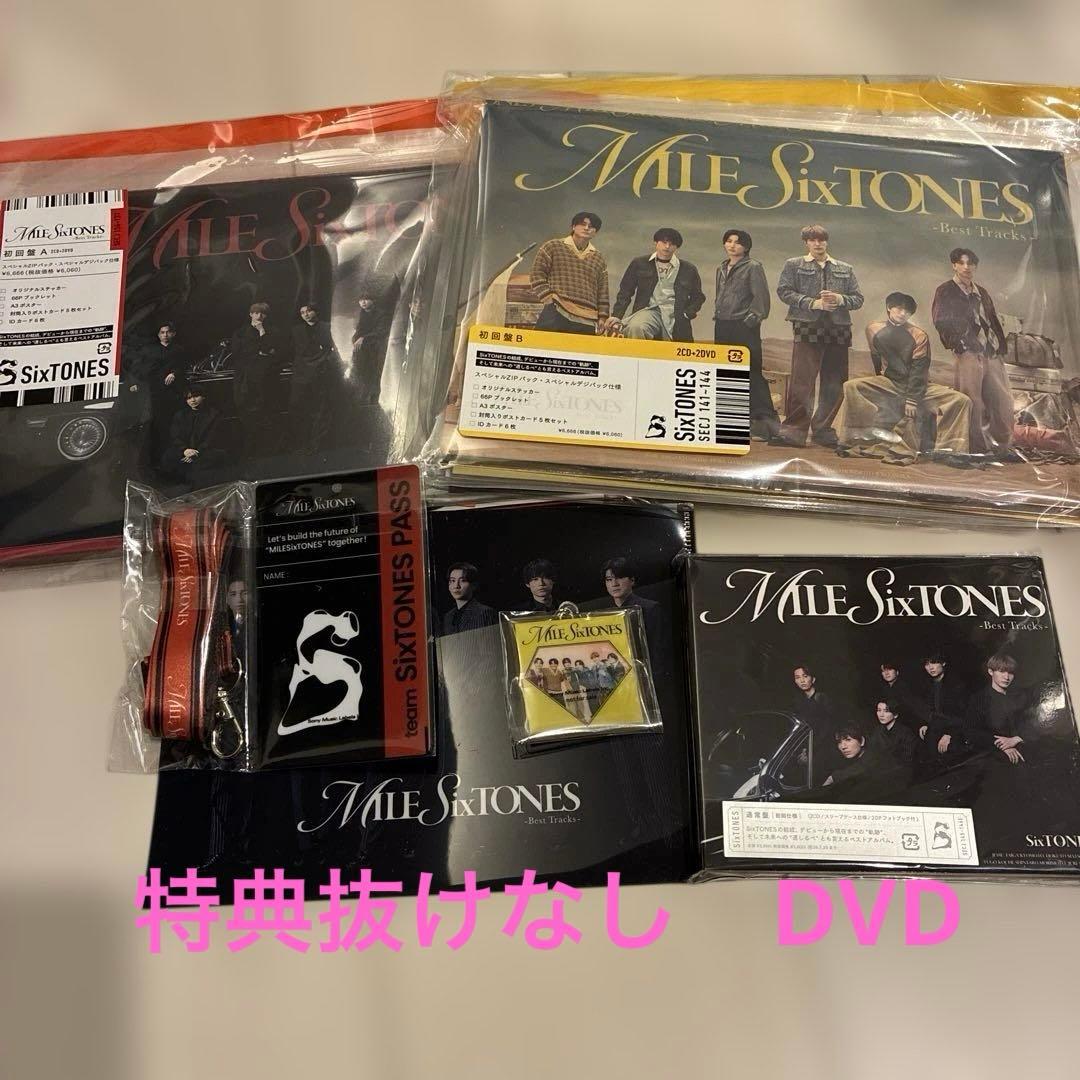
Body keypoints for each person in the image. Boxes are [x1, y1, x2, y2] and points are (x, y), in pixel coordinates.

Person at [837, 292, 971, 464]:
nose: (903, 314)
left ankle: (951, 452)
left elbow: (919, 370)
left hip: (919, 386)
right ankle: (853, 440)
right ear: (889, 308)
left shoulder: (919, 335)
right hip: (890, 383)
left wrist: (912, 400)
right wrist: (881, 381)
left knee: (962, 400)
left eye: (907, 312)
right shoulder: (873, 329)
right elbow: (877, 358)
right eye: (899, 309)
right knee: (851, 386)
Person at [773, 225, 864, 448]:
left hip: (839, 329)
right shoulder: (794, 264)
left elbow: (857, 299)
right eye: (812, 240)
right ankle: (794, 432)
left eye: (821, 239)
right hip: (807, 327)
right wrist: (814, 303)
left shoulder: (845, 268)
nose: (817, 243)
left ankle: (823, 430)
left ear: (826, 242)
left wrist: (840, 299)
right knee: (802, 381)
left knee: (834, 382)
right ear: (806, 242)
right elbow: (784, 291)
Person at [931, 248, 1014, 456]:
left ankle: (1003, 447)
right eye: (962, 263)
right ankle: (976, 448)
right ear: (954, 265)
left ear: (975, 266)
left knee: (1002, 400)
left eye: (971, 263)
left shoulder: (982, 292)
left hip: (991, 352)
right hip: (968, 352)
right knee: (972, 401)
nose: (966, 267)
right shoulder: (946, 290)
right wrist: (960, 343)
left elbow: (992, 319)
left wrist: (1000, 346)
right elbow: (940, 320)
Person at [712, 228, 778, 440]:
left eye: (738, 242)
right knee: (726, 373)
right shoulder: (721, 268)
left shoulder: (753, 266)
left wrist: (749, 321)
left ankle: (766, 426)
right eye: (729, 241)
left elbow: (761, 300)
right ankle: (732, 421)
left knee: (752, 372)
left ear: (746, 247)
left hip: (744, 326)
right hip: (722, 324)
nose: (732, 245)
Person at [529, 212, 617, 335]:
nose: (587, 228)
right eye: (583, 224)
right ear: (573, 226)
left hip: (587, 319)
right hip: (557, 311)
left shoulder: (598, 258)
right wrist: (549, 299)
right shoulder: (553, 246)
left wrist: (602, 317)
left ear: (595, 232)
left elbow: (603, 291)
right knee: (541, 345)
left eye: (591, 226)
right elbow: (536, 274)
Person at [611, 227, 705, 342]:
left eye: (672, 244)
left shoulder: (688, 269)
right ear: (656, 243)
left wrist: (687, 313)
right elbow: (625, 291)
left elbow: (698, 297)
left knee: (679, 348)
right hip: (648, 311)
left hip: (676, 316)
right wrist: (617, 315)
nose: (667, 246)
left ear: (676, 247)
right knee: (636, 327)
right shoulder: (639, 263)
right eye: (664, 242)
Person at [128, 321, 188, 468]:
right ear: (158, 335)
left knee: (174, 423)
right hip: (154, 391)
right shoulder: (150, 350)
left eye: (168, 332)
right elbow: (138, 368)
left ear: (173, 334)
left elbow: (183, 366)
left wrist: (174, 373)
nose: (165, 335)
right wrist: (135, 383)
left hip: (173, 392)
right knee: (156, 424)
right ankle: (154, 460)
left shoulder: (179, 350)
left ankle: (175, 457)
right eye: (162, 332)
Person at [231, 302, 288, 457]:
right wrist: (262, 353)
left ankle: (266, 452)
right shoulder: (240, 332)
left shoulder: (273, 331)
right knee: (246, 414)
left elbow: (274, 352)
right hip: (244, 379)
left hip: (265, 379)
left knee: (265, 413)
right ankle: (249, 451)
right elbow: (237, 353)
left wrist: (262, 332)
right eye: (256, 312)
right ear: (251, 314)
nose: (259, 316)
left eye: (263, 313)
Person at [291, 302, 340, 454]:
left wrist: (326, 360)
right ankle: (301, 444)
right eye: (302, 312)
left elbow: (335, 348)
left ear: (316, 312)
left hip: (322, 372)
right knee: (301, 408)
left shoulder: (328, 327)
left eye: (308, 311)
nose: (305, 314)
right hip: (302, 374)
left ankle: (317, 446)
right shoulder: (297, 330)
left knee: (322, 409)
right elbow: (294, 350)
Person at [964, 653, 1029, 765]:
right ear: (991, 672)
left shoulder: (1021, 695)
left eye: (1010, 673)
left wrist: (1016, 739)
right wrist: (1003, 745)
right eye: (1002, 671)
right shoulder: (979, 699)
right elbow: (971, 731)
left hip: (1024, 746)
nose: (1006, 677)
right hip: (993, 752)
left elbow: (1033, 723)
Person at [598, 555, 662, 650]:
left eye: (619, 577)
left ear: (632, 580)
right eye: (609, 579)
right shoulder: (603, 614)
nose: (614, 584)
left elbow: (658, 649)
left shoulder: (651, 608)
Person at [918, 649, 971, 763]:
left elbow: (965, 715)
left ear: (943, 663)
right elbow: (930, 710)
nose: (930, 667)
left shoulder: (956, 685)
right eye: (927, 664)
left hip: (956, 729)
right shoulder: (929, 685)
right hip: (937, 727)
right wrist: (925, 723)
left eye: (934, 663)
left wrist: (950, 734)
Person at [160, 388, 222, 483]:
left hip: (204, 450)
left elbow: (211, 437)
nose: (192, 400)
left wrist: (196, 453)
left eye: (196, 396)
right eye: (189, 398)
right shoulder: (180, 415)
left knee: (210, 462)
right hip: (185, 450)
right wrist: (185, 450)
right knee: (168, 457)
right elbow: (175, 436)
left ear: (203, 397)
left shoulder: (214, 414)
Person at [442, 562, 497, 635]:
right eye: (452, 580)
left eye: (463, 580)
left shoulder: (485, 613)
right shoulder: (448, 617)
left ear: (474, 585)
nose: (456, 586)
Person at [870, 698, 918, 778]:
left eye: (886, 711)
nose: (881, 715)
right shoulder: (878, 731)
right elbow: (871, 752)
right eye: (879, 710)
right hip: (883, 770)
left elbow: (907, 760)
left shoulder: (905, 733)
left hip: (902, 772)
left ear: (895, 715)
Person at [560, 657, 591, 722]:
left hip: (577, 690)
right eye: (565, 663)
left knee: (580, 706)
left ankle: (583, 720)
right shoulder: (562, 672)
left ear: (570, 663)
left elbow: (582, 675)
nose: (567, 664)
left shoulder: (575, 670)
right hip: (569, 692)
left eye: (568, 662)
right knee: (572, 707)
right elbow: (561, 682)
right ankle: (575, 721)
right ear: (564, 664)